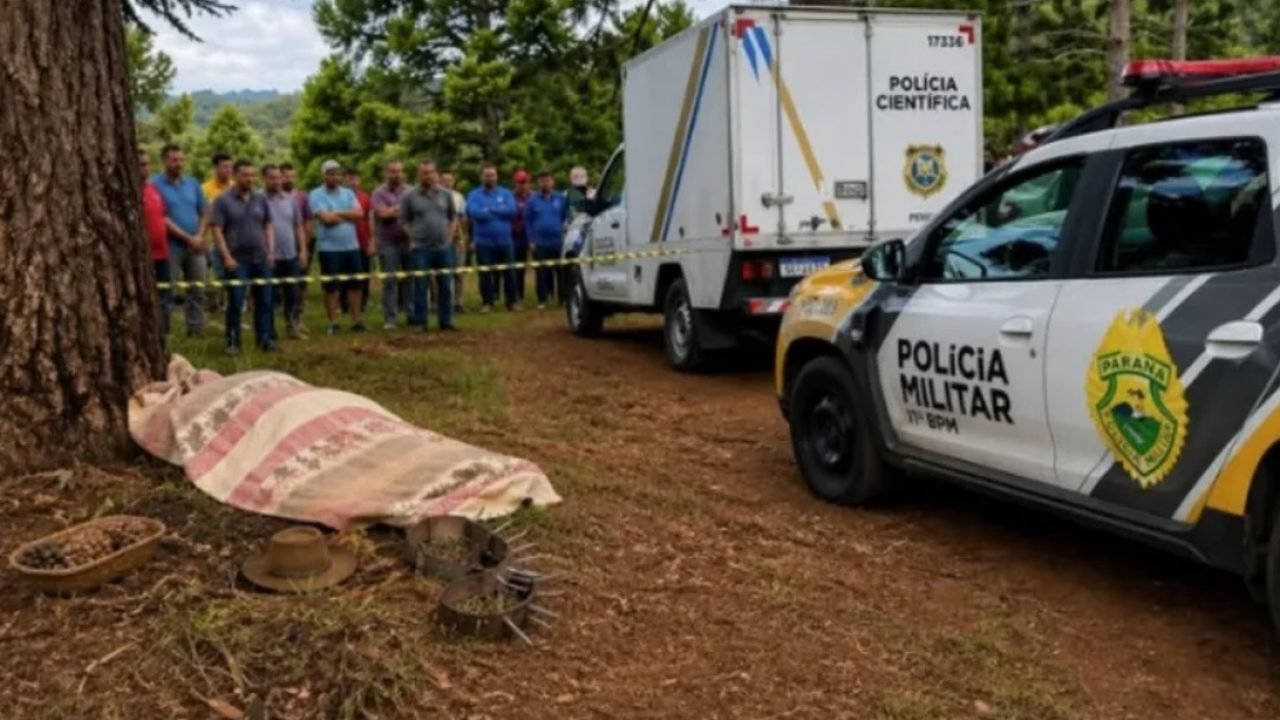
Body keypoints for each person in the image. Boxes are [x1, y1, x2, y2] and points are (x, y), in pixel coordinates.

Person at [210, 160, 276, 355]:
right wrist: (226, 257)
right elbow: (217, 230)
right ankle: (233, 342)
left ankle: (264, 339)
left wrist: (271, 250)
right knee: (236, 302)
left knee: (265, 301)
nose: (250, 179)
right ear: (236, 176)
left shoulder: (260, 199)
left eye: (252, 175)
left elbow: (268, 225)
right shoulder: (223, 201)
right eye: (246, 175)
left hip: (260, 258)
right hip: (237, 260)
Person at [151, 144, 208, 337]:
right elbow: (161, 217)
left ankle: (196, 330)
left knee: (197, 289)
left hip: (196, 246)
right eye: (174, 160)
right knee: (168, 292)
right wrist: (187, 237)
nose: (179, 164)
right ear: (165, 161)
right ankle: (164, 332)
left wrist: (199, 236)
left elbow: (204, 212)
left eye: (182, 160)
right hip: (171, 247)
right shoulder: (155, 185)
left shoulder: (193, 184)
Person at [309, 159, 367, 334]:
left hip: (352, 247)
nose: (335, 177)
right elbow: (326, 219)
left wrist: (337, 213)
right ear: (324, 175)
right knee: (331, 287)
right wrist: (347, 215)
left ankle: (356, 320)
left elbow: (359, 213)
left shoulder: (348, 193)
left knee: (355, 285)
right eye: (331, 173)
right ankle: (333, 322)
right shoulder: (316, 194)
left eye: (337, 174)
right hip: (329, 249)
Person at [400, 159, 459, 331]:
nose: (428, 176)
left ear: (437, 174)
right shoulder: (410, 196)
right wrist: (412, 238)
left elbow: (453, 217)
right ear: (419, 175)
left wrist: (450, 237)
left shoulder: (446, 194)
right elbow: (404, 220)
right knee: (420, 286)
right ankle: (421, 322)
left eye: (431, 172)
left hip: (443, 247)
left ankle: (446, 321)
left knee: (446, 286)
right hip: (421, 249)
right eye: (424, 173)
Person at [466, 165, 518, 312]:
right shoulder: (474, 194)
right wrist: (499, 211)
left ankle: (511, 302)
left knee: (509, 272)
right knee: (485, 274)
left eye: (492, 175)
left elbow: (512, 211)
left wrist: (489, 209)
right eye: (487, 175)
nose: (490, 178)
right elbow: (474, 212)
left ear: (497, 176)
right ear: (482, 177)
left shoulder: (506, 193)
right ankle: (487, 302)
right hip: (483, 242)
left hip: (505, 241)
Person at [264, 164, 307, 339]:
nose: (276, 181)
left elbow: (298, 226)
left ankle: (293, 328)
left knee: (293, 295)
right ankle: (269, 330)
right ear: (264, 179)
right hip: (269, 256)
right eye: (272, 178)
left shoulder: (290, 200)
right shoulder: (258, 199)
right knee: (269, 296)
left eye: (278, 178)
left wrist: (303, 250)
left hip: (290, 255)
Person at [372, 159, 412, 330]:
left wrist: (393, 210)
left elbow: (415, 214)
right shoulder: (378, 192)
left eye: (399, 171)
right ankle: (390, 317)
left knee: (411, 278)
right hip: (388, 243)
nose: (397, 174)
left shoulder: (411, 191)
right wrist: (401, 209)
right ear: (386, 173)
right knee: (390, 280)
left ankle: (412, 313)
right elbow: (382, 214)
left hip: (409, 241)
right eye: (393, 171)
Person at [524, 171, 569, 309]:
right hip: (539, 242)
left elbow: (565, 217)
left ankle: (563, 299)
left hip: (557, 241)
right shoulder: (532, 200)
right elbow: (528, 221)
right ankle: (542, 300)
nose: (546, 183)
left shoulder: (561, 198)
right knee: (542, 272)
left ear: (553, 182)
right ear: (539, 183)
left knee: (561, 271)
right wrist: (531, 240)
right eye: (543, 181)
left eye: (548, 180)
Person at [140, 150, 172, 335]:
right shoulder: (127, 192)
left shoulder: (153, 190)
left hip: (162, 253)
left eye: (147, 164)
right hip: (143, 255)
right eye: (141, 164)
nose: (146, 168)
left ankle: (164, 332)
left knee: (164, 297)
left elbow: (163, 217)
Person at [281, 162, 313, 333]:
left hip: (297, 246)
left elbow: (307, 222)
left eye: (292, 176)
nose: (289, 179)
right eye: (285, 176)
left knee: (298, 286)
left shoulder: (301, 197)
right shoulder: (267, 197)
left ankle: (296, 320)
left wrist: (305, 246)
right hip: (278, 248)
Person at [203, 152, 234, 314]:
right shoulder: (205, 189)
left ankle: (230, 304)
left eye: (230, 167)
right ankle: (212, 304)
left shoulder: (235, 188)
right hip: (209, 240)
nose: (228, 170)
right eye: (224, 166)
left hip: (231, 240)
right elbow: (201, 215)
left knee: (228, 274)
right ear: (215, 168)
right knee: (210, 277)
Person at [344, 168, 374, 314]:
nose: (353, 182)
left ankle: (363, 302)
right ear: (345, 180)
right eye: (350, 179)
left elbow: (370, 219)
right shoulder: (341, 197)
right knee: (345, 274)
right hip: (346, 244)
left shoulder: (365, 197)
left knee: (364, 273)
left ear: (359, 181)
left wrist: (372, 241)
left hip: (363, 242)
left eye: (355, 179)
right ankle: (344, 304)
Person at [441, 171, 468, 314]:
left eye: (449, 180)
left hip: (457, 239)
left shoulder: (459, 197)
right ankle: (440, 302)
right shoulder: (436, 196)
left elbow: (463, 219)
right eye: (444, 180)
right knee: (440, 273)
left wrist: (462, 239)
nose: (447, 183)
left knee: (458, 271)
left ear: (453, 182)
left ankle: (458, 301)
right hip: (439, 239)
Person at [511, 169, 533, 302]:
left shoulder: (533, 197)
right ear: (515, 183)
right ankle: (517, 294)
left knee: (532, 267)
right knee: (516, 267)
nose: (523, 185)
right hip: (515, 237)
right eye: (520, 182)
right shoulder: (510, 197)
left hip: (530, 236)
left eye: (525, 182)